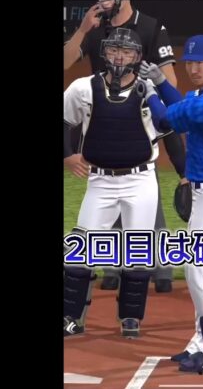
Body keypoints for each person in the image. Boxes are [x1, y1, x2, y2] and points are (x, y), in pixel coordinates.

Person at [64, 0, 185, 293]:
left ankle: (160, 270)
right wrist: (82, 30)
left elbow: (171, 83)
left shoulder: (150, 27)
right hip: (103, 116)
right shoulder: (95, 28)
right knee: (108, 194)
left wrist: (150, 92)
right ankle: (113, 269)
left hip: (144, 110)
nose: (103, 1)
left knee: (144, 197)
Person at [138, 35, 203, 373]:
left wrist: (149, 91)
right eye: (189, 62)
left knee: (200, 272)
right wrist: (159, 81)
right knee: (198, 272)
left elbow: (165, 120)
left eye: (200, 62)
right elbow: (181, 103)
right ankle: (200, 342)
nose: (193, 68)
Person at [63, 28, 166, 339]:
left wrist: (185, 174)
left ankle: (131, 318)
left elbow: (169, 131)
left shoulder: (149, 91)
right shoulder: (83, 88)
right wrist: (68, 155)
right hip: (100, 181)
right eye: (114, 50)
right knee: (80, 250)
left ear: (137, 57)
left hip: (141, 180)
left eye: (127, 51)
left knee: (137, 253)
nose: (119, 57)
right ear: (105, 53)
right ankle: (72, 316)